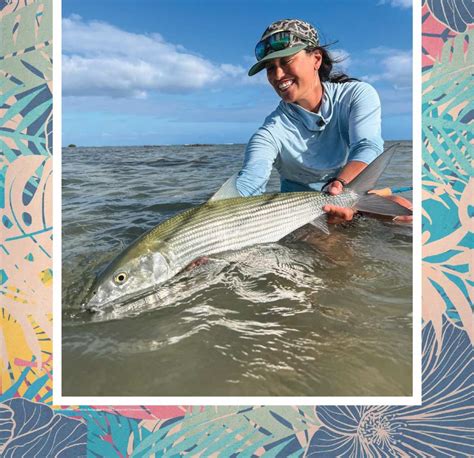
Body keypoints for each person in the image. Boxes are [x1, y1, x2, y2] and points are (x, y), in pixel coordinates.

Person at [235, 18, 412, 223]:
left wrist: (339, 186)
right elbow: (250, 183)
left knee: (406, 213)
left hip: (346, 194)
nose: (277, 75)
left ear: (316, 59)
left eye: (286, 61)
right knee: (331, 246)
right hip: (302, 216)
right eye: (270, 68)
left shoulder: (356, 94)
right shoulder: (270, 132)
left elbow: (367, 146)